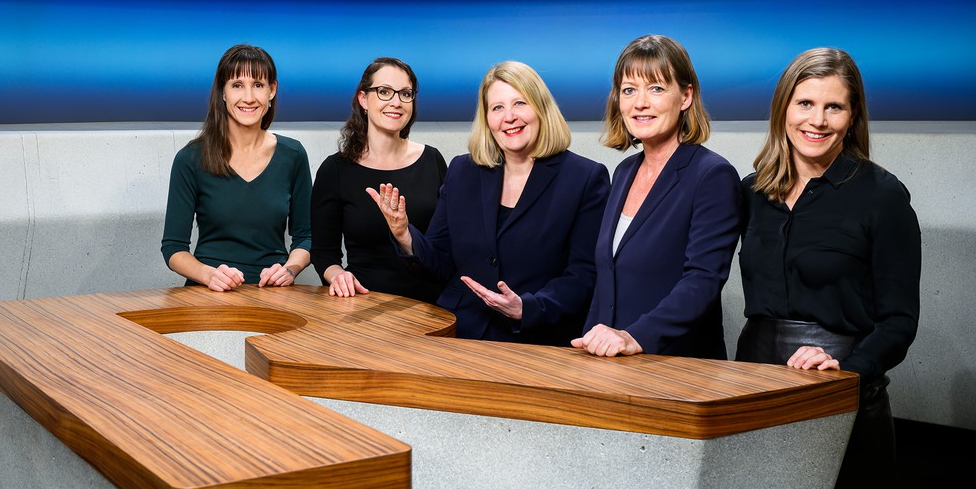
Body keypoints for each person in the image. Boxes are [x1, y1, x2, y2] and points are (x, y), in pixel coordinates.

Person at [735, 47, 921, 489]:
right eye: (805, 103)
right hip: (753, 392)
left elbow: (900, 321)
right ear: (783, 108)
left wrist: (846, 368)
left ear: (853, 115)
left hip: (843, 399)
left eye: (833, 107)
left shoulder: (882, 196)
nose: (817, 120)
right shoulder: (751, 192)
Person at [369, 61, 608, 345]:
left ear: (541, 108)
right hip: (460, 330)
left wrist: (527, 308)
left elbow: (583, 275)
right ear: (486, 119)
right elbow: (440, 262)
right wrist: (404, 234)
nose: (509, 117)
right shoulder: (462, 171)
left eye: (520, 103)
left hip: (537, 339)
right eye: (497, 108)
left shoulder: (585, 178)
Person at [574, 35, 742, 359]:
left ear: (686, 96)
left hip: (678, 366)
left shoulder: (712, 175)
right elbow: (607, 280)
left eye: (656, 88)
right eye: (629, 90)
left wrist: (634, 337)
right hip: (613, 363)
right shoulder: (624, 172)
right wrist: (591, 342)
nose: (640, 103)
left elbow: (703, 281)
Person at [161, 44, 312, 291]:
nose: (249, 97)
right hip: (208, 293)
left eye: (258, 85)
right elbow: (173, 248)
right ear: (223, 92)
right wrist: (209, 275)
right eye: (237, 85)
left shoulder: (293, 155)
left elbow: (306, 237)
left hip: (272, 293)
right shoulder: (190, 159)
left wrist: (289, 269)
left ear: (272, 90)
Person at [311, 58, 447, 301]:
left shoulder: (433, 161)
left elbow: (447, 247)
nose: (396, 102)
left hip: (430, 306)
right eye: (384, 92)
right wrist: (338, 276)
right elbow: (323, 253)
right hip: (362, 305)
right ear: (363, 100)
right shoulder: (335, 170)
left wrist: (404, 234)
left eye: (405, 93)